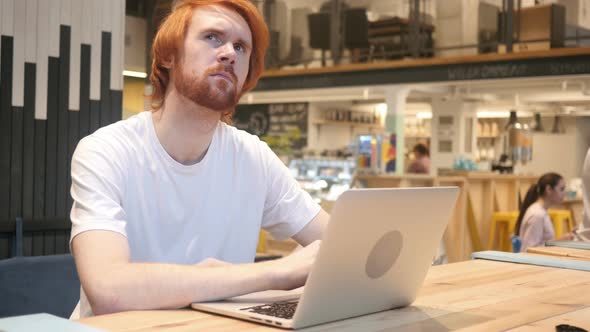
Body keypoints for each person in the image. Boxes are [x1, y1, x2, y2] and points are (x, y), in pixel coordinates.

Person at [69, 0, 329, 318]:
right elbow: (108, 289)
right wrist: (279, 272)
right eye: (212, 38)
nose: (230, 53)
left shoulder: (254, 157)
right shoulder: (107, 150)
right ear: (168, 55)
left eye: (241, 46)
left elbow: (341, 246)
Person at [514, 172, 574, 252]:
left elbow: (540, 243)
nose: (564, 193)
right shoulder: (537, 214)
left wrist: (561, 240)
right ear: (548, 189)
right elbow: (529, 250)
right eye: (561, 189)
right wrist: (559, 241)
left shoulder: (541, 211)